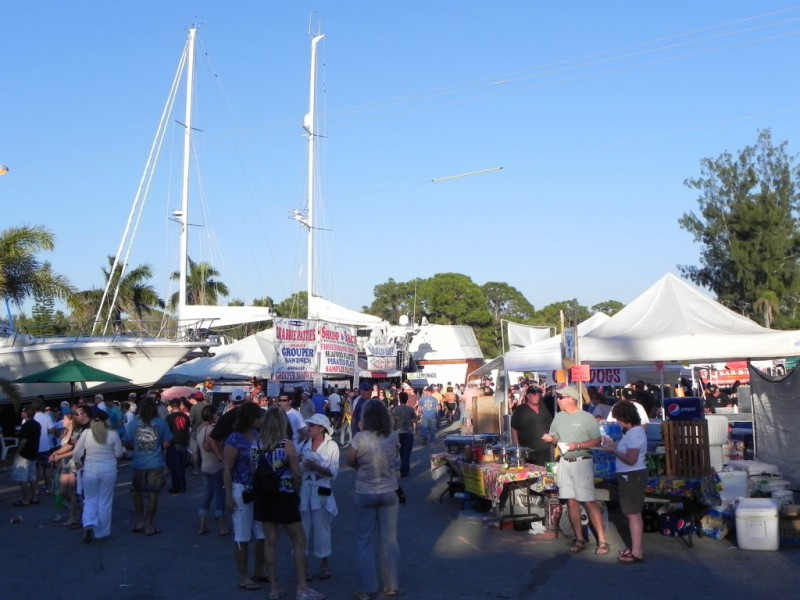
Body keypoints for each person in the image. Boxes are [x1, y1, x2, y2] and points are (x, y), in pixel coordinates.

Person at [256, 407, 325, 600]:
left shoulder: (257, 444)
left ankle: (274, 587)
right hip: (284, 496)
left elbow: (256, 470)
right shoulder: (286, 444)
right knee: (299, 539)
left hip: (263, 496)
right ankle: (302, 587)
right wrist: (296, 489)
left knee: (270, 540)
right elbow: (296, 472)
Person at [541, 386, 610, 556]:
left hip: (582, 462)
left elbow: (597, 441)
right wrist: (551, 439)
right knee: (570, 501)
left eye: (561, 397)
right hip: (565, 462)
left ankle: (602, 541)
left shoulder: (586, 418)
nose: (558, 399)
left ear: (571, 399)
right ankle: (579, 538)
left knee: (589, 501)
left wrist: (577, 445)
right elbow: (555, 438)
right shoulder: (558, 417)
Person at [347, 399, 401, 600]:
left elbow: (351, 461)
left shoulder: (360, 438)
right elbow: (396, 459)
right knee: (390, 540)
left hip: (365, 491)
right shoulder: (393, 435)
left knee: (365, 542)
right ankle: (392, 584)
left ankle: (366, 589)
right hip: (388, 491)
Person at [222, 402, 269, 591]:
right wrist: (228, 495)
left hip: (258, 489)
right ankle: (243, 576)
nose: (261, 420)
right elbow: (227, 467)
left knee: (262, 534)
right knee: (242, 534)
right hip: (241, 489)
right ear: (250, 418)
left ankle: (259, 569)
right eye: (258, 416)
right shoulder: (235, 439)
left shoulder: (258, 436)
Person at [598, 400, 648, 563]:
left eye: (619, 419)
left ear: (625, 418)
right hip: (632, 475)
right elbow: (627, 451)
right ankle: (636, 548)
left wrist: (612, 450)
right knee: (635, 513)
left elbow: (631, 459)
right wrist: (613, 444)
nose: (617, 422)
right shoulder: (634, 432)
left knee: (631, 513)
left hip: (631, 475)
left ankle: (637, 552)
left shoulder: (634, 433)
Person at [71, 409, 124, 543]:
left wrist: (78, 462)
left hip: (90, 470)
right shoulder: (113, 434)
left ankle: (88, 523)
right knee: (105, 501)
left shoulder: (86, 433)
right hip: (108, 470)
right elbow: (118, 453)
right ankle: (101, 532)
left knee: (90, 500)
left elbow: (76, 452)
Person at [298, 413, 339, 583]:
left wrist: (315, 466)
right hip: (305, 490)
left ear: (321, 428)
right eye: (309, 425)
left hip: (321, 489)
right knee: (302, 531)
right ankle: (304, 567)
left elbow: (333, 473)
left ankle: (324, 565)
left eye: (313, 425)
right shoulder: (302, 445)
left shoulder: (332, 447)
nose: (309, 428)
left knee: (322, 530)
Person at [123, 396, 173, 536]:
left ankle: (140, 520)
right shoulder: (161, 423)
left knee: (137, 492)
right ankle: (149, 524)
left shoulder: (133, 424)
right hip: (155, 463)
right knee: (153, 494)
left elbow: (126, 442)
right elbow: (167, 442)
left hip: (138, 463)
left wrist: (135, 447)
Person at [196, 404, 230, 536]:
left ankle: (202, 525)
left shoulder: (199, 429)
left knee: (206, 495)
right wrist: (221, 457)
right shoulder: (211, 430)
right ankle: (222, 526)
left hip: (204, 465)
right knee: (220, 495)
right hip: (215, 465)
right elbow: (213, 444)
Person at [510, 385, 553, 466]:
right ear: (528, 396)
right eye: (533, 394)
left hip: (545, 450)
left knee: (545, 475)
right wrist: (517, 447)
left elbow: (551, 424)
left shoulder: (543, 407)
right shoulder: (521, 409)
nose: (536, 396)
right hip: (528, 451)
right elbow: (514, 428)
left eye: (538, 394)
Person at [12, 405, 41, 506]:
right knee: (32, 477)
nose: (21, 413)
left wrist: (18, 451)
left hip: (25, 454)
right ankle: (34, 497)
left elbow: (24, 440)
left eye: (23, 411)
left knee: (22, 478)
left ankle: (25, 499)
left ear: (26, 413)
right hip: (34, 453)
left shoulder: (26, 425)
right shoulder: (37, 424)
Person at [165, 398, 190, 494]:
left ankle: (176, 487)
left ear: (171, 406)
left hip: (173, 444)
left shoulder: (169, 418)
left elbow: (166, 432)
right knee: (182, 466)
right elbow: (187, 429)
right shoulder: (185, 416)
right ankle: (183, 486)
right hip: (183, 442)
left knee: (174, 467)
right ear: (180, 405)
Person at [391, 392, 416, 477]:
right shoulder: (410, 409)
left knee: (401, 451)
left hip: (398, 432)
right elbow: (415, 420)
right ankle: (404, 468)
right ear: (407, 399)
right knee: (407, 452)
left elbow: (392, 422)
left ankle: (404, 466)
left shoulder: (395, 409)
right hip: (408, 432)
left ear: (399, 399)